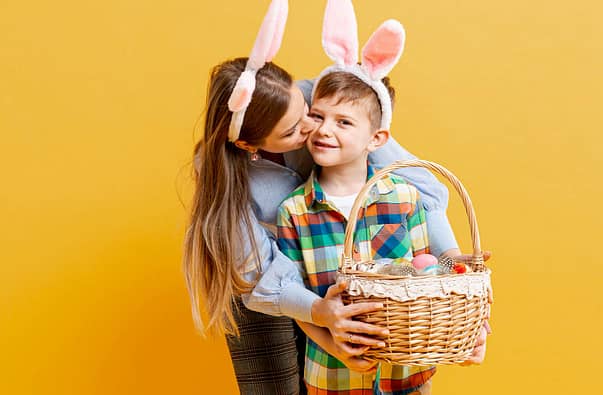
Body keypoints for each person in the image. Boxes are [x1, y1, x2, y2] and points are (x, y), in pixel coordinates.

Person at [182, 1, 489, 394]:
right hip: (265, 287)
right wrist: (325, 326)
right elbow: (256, 273)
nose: (315, 127)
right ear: (248, 145)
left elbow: (421, 188)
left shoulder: (322, 100)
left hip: (332, 264)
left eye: (307, 108)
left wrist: (452, 276)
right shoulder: (230, 176)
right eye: (296, 128)